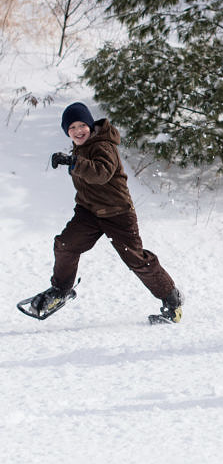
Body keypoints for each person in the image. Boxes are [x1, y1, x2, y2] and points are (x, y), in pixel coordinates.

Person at [34, 102, 183, 323]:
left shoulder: (103, 145)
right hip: (89, 212)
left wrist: (74, 162)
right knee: (65, 244)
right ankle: (60, 290)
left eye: (82, 125)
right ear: (67, 131)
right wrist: (73, 160)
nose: (78, 131)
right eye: (72, 127)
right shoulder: (81, 146)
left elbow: (101, 174)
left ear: (90, 125)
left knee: (136, 259)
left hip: (117, 213)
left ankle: (171, 299)